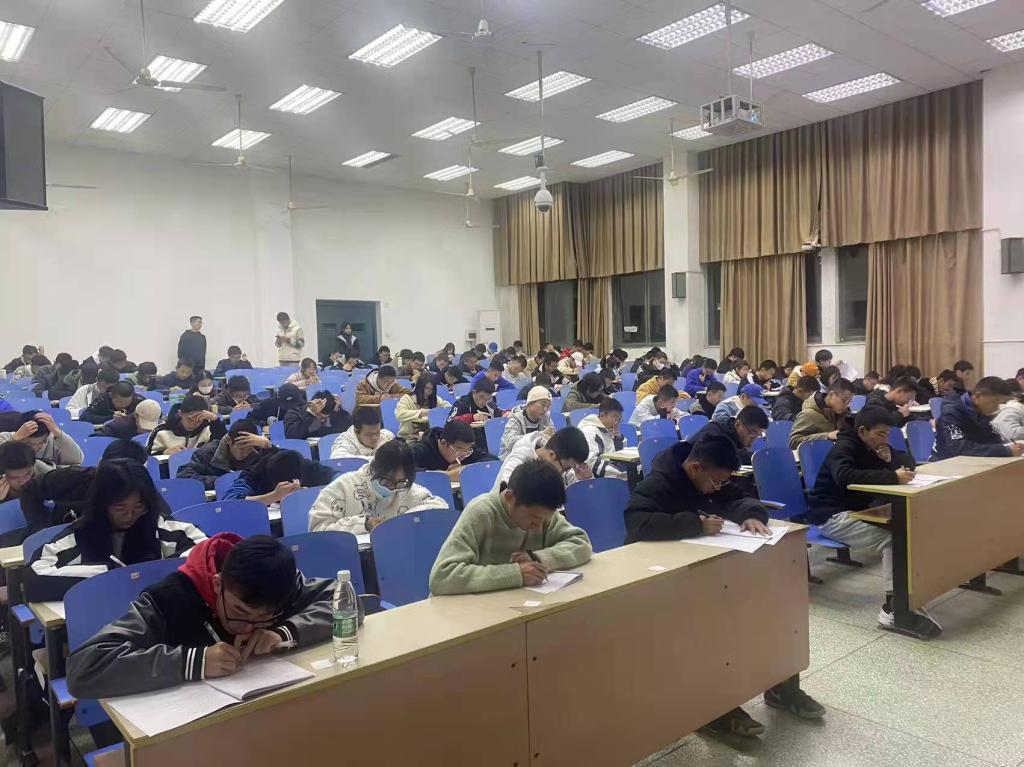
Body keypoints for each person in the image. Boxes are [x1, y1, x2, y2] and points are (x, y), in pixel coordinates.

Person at [623, 435, 824, 729]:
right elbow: (636, 522)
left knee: (774, 612)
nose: (719, 487)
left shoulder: (711, 475)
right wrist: (695, 525)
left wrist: (751, 514)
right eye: (716, 482)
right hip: (660, 576)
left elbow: (740, 498)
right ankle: (713, 707)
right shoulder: (659, 482)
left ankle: (782, 686)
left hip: (705, 568)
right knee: (713, 626)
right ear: (695, 468)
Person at [66, 534, 334, 699]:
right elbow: (84, 669)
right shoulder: (168, 600)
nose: (247, 629)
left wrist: (283, 632)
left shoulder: (279, 583)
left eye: (263, 618)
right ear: (217, 584)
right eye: (239, 612)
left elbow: (343, 601)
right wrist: (194, 661)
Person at [806, 407, 938, 635]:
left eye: (887, 434)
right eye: (880, 434)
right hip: (832, 516)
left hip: (860, 511)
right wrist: (891, 475)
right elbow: (844, 475)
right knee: (893, 539)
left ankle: (907, 596)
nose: (884, 439)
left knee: (909, 529)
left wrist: (891, 459)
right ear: (862, 431)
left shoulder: (875, 446)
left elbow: (908, 463)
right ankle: (893, 609)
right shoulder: (844, 446)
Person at [24, 459, 206, 601]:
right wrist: (108, 575)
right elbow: (34, 575)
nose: (130, 515)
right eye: (120, 508)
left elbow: (205, 547)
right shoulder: (81, 535)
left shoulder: (158, 525)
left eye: (139, 506)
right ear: (102, 504)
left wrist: (157, 571)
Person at [429, 460, 592, 595]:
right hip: (474, 611)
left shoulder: (541, 512)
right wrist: (515, 574)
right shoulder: (480, 513)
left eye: (544, 519)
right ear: (509, 497)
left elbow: (581, 544)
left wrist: (538, 558)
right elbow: (442, 576)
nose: (538, 525)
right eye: (533, 518)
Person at [18, 440, 153, 534]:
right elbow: (30, 489)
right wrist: (41, 527)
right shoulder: (71, 478)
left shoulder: (141, 489)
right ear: (100, 465)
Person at [310, 441, 447, 533]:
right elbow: (319, 528)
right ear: (373, 469)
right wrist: (364, 524)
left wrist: (405, 520)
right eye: (387, 481)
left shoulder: (404, 488)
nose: (393, 488)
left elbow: (440, 506)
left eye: (400, 481)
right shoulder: (342, 487)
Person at [933, 376, 1021, 458]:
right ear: (978, 396)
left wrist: (1010, 448)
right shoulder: (951, 412)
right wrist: (1005, 451)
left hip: (973, 462)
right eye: (996, 401)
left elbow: (992, 440)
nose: (998, 407)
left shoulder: (982, 411)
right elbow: (958, 447)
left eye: (1002, 403)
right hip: (944, 462)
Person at [176, 419, 270, 490]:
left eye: (249, 449)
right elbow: (184, 475)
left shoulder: (257, 453)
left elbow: (274, 473)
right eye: (241, 449)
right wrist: (222, 481)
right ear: (229, 441)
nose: (245, 453)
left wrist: (267, 446)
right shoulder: (208, 452)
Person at [223, 448, 337, 504]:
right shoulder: (253, 473)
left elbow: (341, 479)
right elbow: (230, 501)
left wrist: (311, 494)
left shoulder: (306, 466)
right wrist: (274, 496)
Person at [498, 426, 591, 488]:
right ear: (552, 455)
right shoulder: (519, 458)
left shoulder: (561, 462)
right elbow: (508, 490)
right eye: (566, 468)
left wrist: (584, 481)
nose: (566, 472)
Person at [411, 421, 495, 479]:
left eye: (468, 450)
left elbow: (493, 461)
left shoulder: (466, 450)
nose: (463, 455)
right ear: (443, 443)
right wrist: (447, 475)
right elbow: (407, 470)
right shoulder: (421, 449)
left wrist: (464, 469)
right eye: (459, 449)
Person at [0, 411, 84, 468]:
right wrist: (14, 440)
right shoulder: (5, 437)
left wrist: (58, 433)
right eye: (29, 444)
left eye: (42, 442)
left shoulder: (54, 439)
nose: (35, 448)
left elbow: (76, 460)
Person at [147, 395, 226, 455]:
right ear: (180, 413)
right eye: (190, 419)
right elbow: (147, 457)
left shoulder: (207, 429)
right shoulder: (161, 430)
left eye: (199, 421)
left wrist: (216, 421)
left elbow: (223, 447)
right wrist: (163, 452)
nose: (193, 424)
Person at [789, 379, 855, 449]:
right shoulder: (808, 414)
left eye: (849, 402)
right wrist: (827, 436)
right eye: (844, 400)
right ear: (831, 395)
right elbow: (794, 441)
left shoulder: (842, 413)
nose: (846, 405)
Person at [693, 405, 769, 464]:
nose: (753, 439)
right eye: (752, 433)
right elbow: (719, 453)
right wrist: (755, 458)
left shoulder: (738, 441)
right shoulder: (714, 431)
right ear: (738, 424)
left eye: (758, 435)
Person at [578, 397, 626, 479]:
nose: (617, 422)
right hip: (596, 478)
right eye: (615, 418)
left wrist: (618, 439)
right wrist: (618, 475)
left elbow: (615, 455)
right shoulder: (589, 431)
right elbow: (590, 461)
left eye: (619, 419)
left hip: (609, 471)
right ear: (602, 415)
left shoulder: (606, 429)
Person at [500, 387, 553, 459]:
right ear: (530, 403)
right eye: (543, 404)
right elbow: (511, 443)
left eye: (548, 406)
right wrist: (538, 435)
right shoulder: (516, 418)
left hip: (536, 458)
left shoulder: (546, 417)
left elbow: (552, 442)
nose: (545, 409)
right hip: (513, 458)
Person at [396, 374, 447, 441]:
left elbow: (448, 408)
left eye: (431, 389)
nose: (428, 392)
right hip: (409, 438)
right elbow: (399, 414)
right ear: (419, 387)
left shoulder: (434, 398)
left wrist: (438, 412)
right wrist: (422, 412)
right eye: (426, 388)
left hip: (428, 438)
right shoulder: (407, 398)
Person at [329, 406, 394, 458]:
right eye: (369, 434)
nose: (374, 437)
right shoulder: (343, 442)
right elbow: (339, 460)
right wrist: (380, 460)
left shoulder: (387, 437)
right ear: (356, 431)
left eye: (377, 432)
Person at [79, 380, 144, 425]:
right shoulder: (103, 399)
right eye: (119, 402)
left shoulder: (139, 401)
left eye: (127, 402)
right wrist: (110, 418)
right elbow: (84, 417)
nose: (123, 405)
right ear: (111, 396)